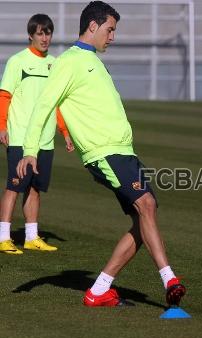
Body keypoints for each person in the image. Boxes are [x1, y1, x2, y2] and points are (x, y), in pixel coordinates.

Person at [16, 1, 186, 307]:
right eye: (110, 29)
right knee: (146, 205)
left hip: (123, 152)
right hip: (104, 153)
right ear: (92, 26)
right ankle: (169, 279)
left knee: (142, 220)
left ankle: (99, 290)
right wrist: (30, 151)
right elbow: (44, 105)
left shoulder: (92, 60)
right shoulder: (69, 61)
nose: (113, 36)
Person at [0, 14, 74, 255]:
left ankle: (31, 237)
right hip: (20, 137)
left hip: (45, 140)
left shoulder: (55, 64)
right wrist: (2, 127)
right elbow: (4, 96)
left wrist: (64, 131)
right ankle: (3, 238)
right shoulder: (17, 61)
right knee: (14, 186)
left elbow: (58, 103)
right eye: (40, 33)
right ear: (31, 35)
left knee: (34, 188)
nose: (45, 38)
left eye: (48, 33)